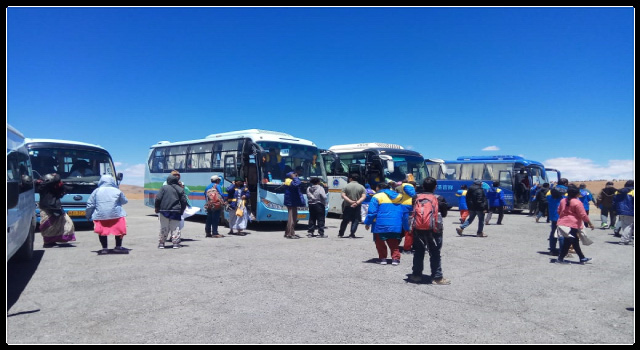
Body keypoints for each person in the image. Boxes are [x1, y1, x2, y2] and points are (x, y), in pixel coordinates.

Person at [409, 177, 451, 284]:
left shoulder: (415, 197)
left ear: (423, 186)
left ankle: (416, 275)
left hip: (417, 228)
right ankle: (437, 278)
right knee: (435, 253)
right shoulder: (439, 198)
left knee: (418, 252)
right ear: (435, 187)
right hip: (434, 229)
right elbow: (444, 214)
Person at [86, 174, 129, 254]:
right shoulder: (117, 190)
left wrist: (88, 215)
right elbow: (125, 201)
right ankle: (118, 246)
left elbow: (90, 204)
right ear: (112, 181)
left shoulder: (96, 191)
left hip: (100, 215)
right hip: (116, 215)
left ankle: (104, 248)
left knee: (102, 231)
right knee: (119, 230)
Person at [364, 182, 403, 265]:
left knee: (379, 242)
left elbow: (372, 212)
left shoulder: (377, 196)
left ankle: (383, 258)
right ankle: (395, 259)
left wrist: (367, 222)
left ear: (379, 188)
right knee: (394, 242)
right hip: (395, 223)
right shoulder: (398, 196)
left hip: (380, 224)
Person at [556, 184, 594, 264]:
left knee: (574, 241)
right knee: (569, 242)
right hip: (572, 225)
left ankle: (582, 257)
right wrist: (590, 223)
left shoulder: (563, 201)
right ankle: (560, 259)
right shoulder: (577, 202)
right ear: (576, 194)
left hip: (563, 224)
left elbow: (558, 211)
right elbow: (583, 214)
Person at [35, 173, 76, 247]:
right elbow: (57, 179)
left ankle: (53, 240)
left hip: (55, 207)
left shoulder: (54, 186)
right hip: (47, 208)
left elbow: (63, 187)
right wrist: (55, 176)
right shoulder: (43, 186)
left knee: (66, 223)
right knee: (48, 226)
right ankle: (48, 242)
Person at [154, 174, 187, 249]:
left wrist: (157, 207)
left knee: (163, 227)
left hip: (164, 210)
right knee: (175, 227)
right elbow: (184, 201)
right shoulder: (180, 189)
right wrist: (182, 210)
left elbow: (158, 198)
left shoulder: (163, 188)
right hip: (176, 211)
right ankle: (175, 243)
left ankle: (161, 243)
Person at [338, 174, 366, 238]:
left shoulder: (346, 186)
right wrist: (357, 203)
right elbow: (363, 197)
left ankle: (341, 233)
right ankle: (352, 233)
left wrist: (350, 202)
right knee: (355, 220)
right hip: (357, 206)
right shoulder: (361, 187)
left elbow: (343, 195)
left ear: (350, 179)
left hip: (347, 206)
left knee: (345, 220)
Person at [547, 178, 569, 256]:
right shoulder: (567, 193)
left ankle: (552, 249)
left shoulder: (550, 192)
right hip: (563, 216)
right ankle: (562, 251)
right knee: (562, 234)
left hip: (553, 215)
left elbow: (547, 198)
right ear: (566, 183)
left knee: (553, 232)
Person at [395, 176, 417, 253]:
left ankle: (395, 244)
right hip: (408, 209)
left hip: (403, 209)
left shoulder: (401, 192)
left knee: (403, 229)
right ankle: (407, 248)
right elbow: (413, 195)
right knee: (409, 230)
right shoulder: (408, 186)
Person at [613, 180, 634, 245]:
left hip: (620, 211)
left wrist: (614, 210)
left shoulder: (617, 192)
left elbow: (614, 202)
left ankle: (627, 238)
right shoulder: (633, 191)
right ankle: (624, 240)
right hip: (630, 211)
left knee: (625, 226)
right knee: (628, 226)